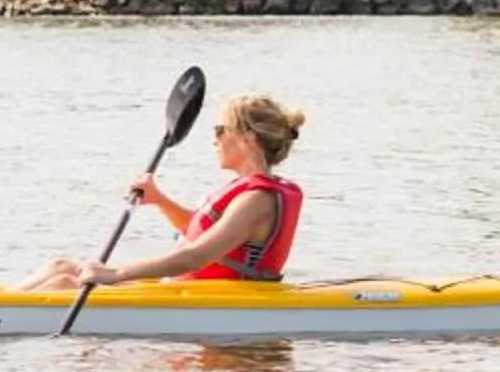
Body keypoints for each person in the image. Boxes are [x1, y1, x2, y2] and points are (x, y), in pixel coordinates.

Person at [31, 94, 306, 289]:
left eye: (221, 129)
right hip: (190, 292)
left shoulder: (256, 200)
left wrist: (116, 273)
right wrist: (159, 200)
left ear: (248, 139)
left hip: (214, 300)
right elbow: (204, 234)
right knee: (60, 267)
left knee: (63, 284)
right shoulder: (249, 192)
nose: (214, 138)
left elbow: (196, 256)